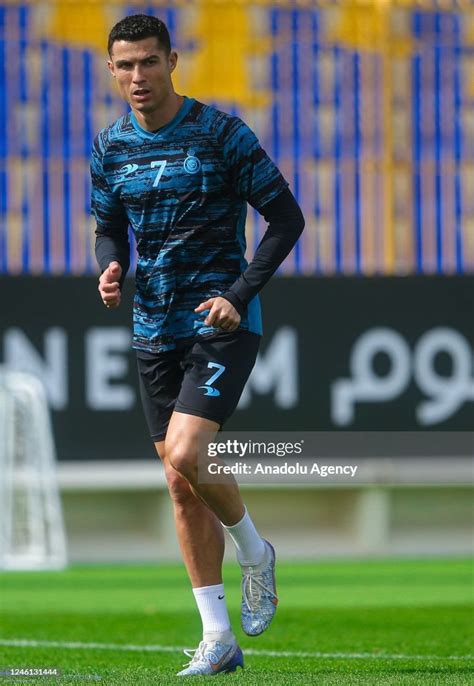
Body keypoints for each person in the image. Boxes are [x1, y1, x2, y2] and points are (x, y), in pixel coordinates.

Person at [91, 14, 304, 677]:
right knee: (181, 484)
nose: (137, 77)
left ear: (173, 60)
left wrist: (238, 294)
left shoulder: (219, 133)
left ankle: (255, 553)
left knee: (188, 452)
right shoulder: (110, 147)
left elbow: (286, 217)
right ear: (111, 70)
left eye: (148, 62)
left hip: (221, 323)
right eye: (124, 65)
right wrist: (111, 265)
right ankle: (218, 638)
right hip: (151, 329)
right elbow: (109, 226)